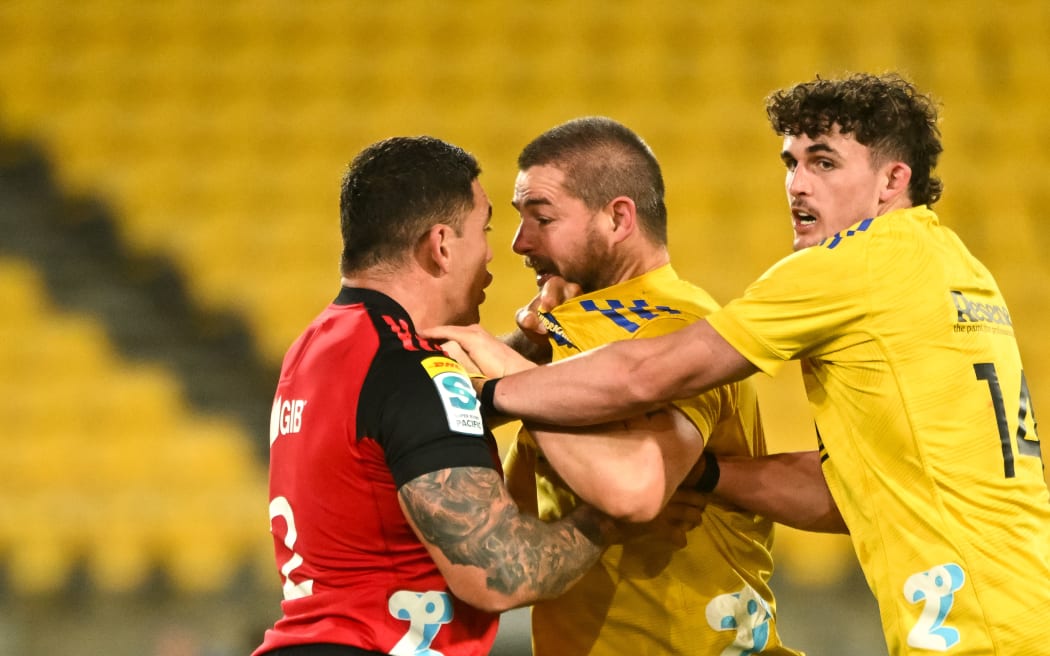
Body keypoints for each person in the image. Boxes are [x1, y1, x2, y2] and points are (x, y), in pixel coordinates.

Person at [428, 74, 1050, 655]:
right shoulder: (955, 267)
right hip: (1024, 599)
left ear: (892, 182)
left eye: (824, 163)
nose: (798, 185)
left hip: (978, 629)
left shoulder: (851, 265)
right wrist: (704, 477)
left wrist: (493, 386)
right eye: (792, 163)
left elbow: (646, 376)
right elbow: (845, 491)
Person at [252, 136, 617, 656]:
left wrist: (535, 347)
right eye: (485, 229)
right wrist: (614, 513)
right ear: (441, 245)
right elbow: (500, 573)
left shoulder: (322, 345)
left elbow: (424, 424)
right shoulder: (407, 368)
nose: (498, 250)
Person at [480, 116, 803, 655]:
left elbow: (638, 489)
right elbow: (507, 543)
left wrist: (510, 367)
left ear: (618, 217)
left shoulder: (673, 330)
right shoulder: (567, 334)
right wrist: (531, 348)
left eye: (542, 217)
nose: (518, 243)